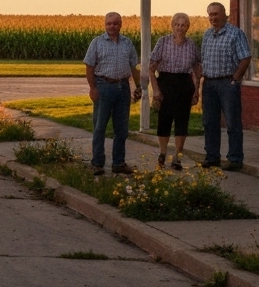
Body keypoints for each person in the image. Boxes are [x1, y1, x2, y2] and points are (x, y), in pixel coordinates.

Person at [84, 12, 142, 176]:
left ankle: (119, 162)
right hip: (103, 85)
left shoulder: (127, 43)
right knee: (100, 126)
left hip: (123, 87)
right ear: (105, 24)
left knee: (122, 128)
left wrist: (138, 86)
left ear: (120, 25)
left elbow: (133, 67)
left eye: (115, 23)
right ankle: (97, 163)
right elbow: (89, 67)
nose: (112, 26)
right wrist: (92, 88)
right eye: (109, 23)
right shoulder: (97, 42)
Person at [200, 1, 252, 170]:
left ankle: (235, 159)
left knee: (232, 122)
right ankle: (212, 157)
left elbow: (245, 58)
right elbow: (203, 59)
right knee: (210, 122)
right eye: (210, 14)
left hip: (227, 83)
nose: (213, 18)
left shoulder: (235, 34)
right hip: (209, 84)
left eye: (216, 14)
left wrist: (235, 79)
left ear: (224, 15)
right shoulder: (207, 35)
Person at [148, 13, 201, 171]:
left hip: (184, 83)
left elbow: (197, 69)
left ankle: (178, 157)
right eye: (177, 24)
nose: (180, 27)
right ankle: (162, 154)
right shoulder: (163, 41)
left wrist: (196, 90)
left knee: (182, 121)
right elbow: (151, 69)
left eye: (183, 25)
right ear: (172, 26)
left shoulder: (191, 45)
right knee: (164, 119)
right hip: (166, 82)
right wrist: (156, 90)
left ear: (187, 27)